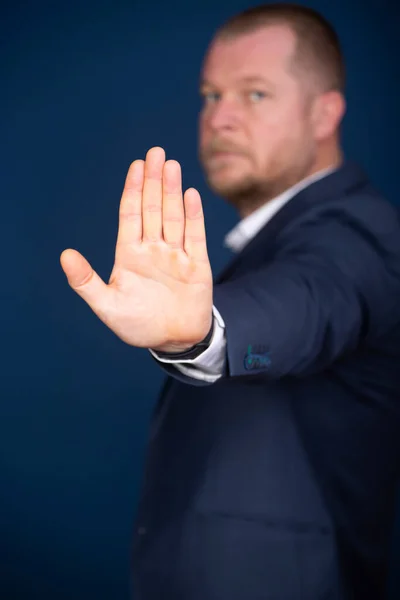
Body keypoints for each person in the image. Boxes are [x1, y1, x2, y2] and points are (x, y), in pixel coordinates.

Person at [60, 4, 400, 599]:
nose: (220, 118)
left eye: (256, 94)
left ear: (325, 112)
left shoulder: (362, 233)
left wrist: (205, 334)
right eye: (211, 95)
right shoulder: (263, 245)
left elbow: (313, 301)